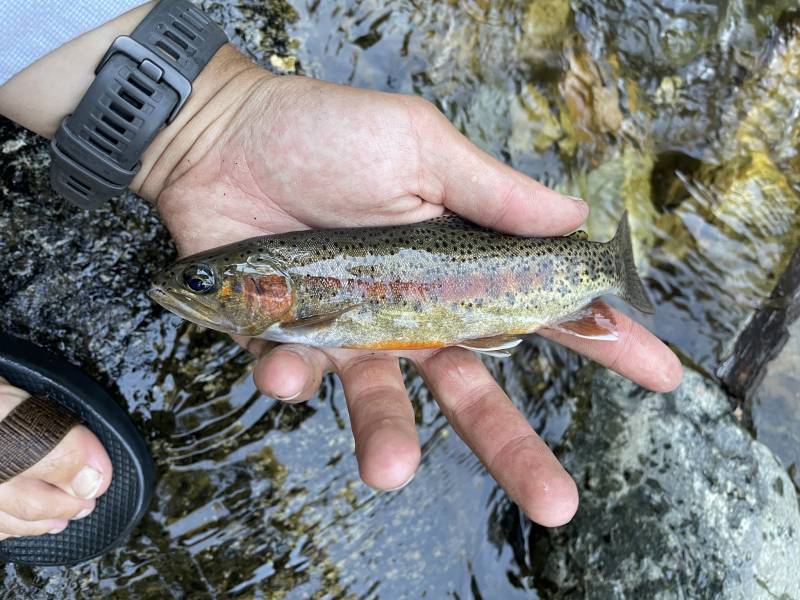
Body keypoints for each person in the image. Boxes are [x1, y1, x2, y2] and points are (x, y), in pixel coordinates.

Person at [0, 1, 682, 543]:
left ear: (272, 291)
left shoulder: (299, 311)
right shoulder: (285, 303)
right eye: (200, 283)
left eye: (203, 282)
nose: (186, 285)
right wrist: (197, 125)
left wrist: (208, 119)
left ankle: (604, 267)